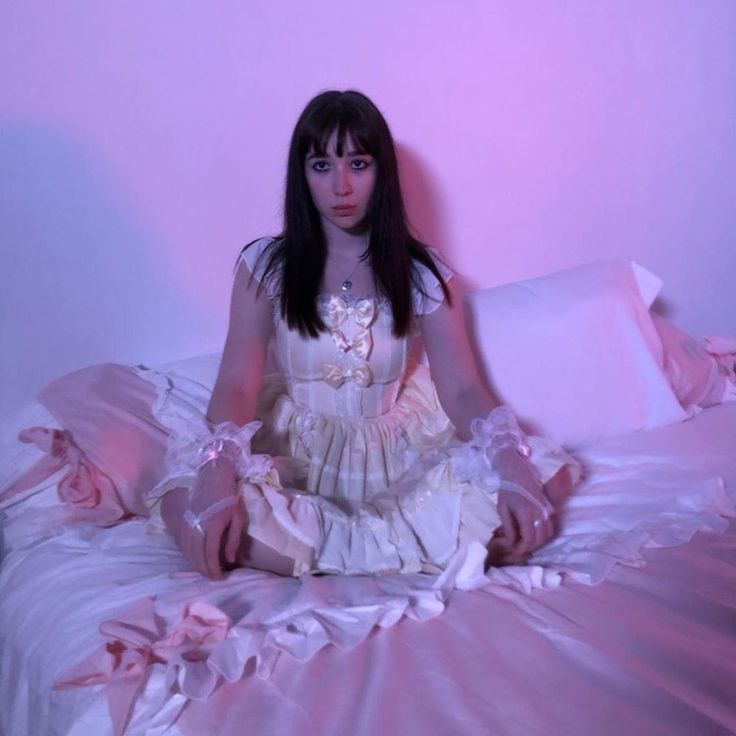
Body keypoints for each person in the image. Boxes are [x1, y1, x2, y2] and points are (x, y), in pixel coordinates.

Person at [152, 89, 577, 581]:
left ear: (381, 172)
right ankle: (400, 551)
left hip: (396, 454)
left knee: (548, 473)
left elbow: (461, 389)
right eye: (321, 166)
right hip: (297, 447)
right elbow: (236, 386)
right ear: (302, 176)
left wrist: (510, 460)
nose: (341, 186)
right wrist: (218, 470)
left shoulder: (422, 272)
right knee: (187, 503)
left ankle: (359, 551)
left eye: (357, 163)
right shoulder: (266, 266)